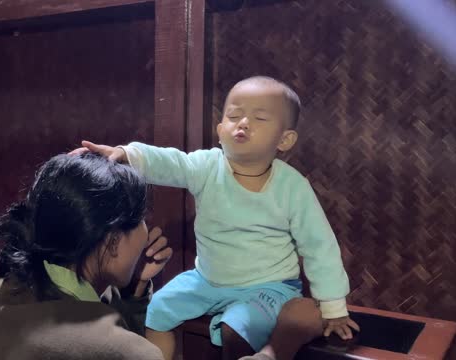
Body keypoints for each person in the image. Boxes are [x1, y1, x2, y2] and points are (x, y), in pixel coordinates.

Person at [72, 76, 360, 360]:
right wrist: (127, 154)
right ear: (221, 130)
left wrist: (334, 308)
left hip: (269, 286)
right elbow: (172, 162)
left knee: (237, 326)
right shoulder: (207, 167)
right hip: (206, 280)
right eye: (234, 116)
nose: (243, 123)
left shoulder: (292, 187)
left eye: (259, 118)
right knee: (158, 307)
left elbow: (319, 246)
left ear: (285, 139)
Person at [0, 153, 171, 360]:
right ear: (113, 241)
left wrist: (135, 286)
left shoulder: (1, 287)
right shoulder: (126, 351)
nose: (147, 230)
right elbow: (119, 346)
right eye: (143, 218)